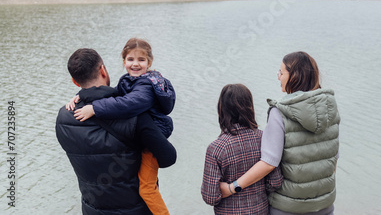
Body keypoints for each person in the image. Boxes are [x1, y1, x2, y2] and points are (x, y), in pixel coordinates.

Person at [56, 48, 177, 215]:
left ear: (75, 82)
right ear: (103, 70)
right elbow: (168, 157)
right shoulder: (136, 117)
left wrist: (80, 96)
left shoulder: (63, 118)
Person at [220, 51, 341, 215]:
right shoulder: (330, 109)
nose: (278, 77)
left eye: (281, 72)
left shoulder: (280, 112)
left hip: (288, 208)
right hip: (324, 205)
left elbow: (269, 162)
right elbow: (332, 161)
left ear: (294, 76)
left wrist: (231, 188)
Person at [202, 84, 283, 214]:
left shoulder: (216, 148)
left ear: (222, 109)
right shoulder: (264, 138)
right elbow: (275, 182)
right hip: (260, 210)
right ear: (250, 108)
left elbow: (210, 197)